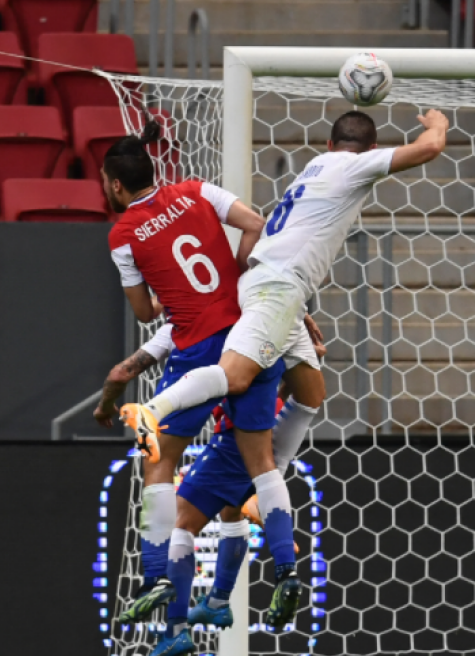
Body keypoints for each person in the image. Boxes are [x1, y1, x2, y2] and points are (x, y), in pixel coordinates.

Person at [119, 108, 449, 626]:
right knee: (254, 412)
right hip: (278, 294)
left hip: (277, 292)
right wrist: (437, 121)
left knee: (237, 472)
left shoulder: (314, 167)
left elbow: (170, 320)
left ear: (327, 139)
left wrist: (285, 304)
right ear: (367, 149)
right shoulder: (347, 167)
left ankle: (197, 607)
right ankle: (261, 579)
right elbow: (429, 148)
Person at [96, 123, 325, 647]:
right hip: (252, 333)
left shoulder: (122, 236)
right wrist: (238, 271)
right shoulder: (196, 189)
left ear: (114, 185)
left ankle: (155, 577)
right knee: (261, 461)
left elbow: (142, 310)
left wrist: (165, 299)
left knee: (159, 461)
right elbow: (255, 223)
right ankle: (286, 570)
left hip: (199, 347)